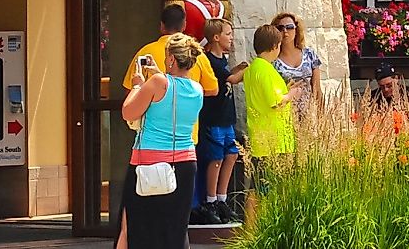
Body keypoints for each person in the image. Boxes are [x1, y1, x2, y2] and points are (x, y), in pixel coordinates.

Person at [121, 33, 206, 249]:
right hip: (185, 163)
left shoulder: (157, 82)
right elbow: (172, 96)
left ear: (171, 59)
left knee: (139, 227)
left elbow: (128, 113)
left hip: (148, 163)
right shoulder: (198, 89)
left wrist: (138, 86)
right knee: (175, 230)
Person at [243, 24, 295, 231]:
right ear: (275, 45)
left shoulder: (253, 68)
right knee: (267, 189)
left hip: (261, 137)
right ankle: (261, 229)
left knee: (257, 188)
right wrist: (292, 94)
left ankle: (251, 229)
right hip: (272, 140)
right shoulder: (264, 69)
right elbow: (276, 102)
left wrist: (286, 90)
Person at [196, 19, 244, 226]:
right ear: (216, 37)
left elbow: (228, 73)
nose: (232, 38)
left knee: (232, 154)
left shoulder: (222, 60)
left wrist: (237, 68)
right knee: (215, 158)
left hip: (226, 119)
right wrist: (252, 68)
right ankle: (210, 200)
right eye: (228, 33)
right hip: (213, 119)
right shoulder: (209, 60)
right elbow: (229, 80)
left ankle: (222, 198)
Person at [127, 1, 220, 98]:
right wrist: (189, 96)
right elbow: (212, 89)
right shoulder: (196, 53)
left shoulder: (146, 51)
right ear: (184, 25)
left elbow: (129, 90)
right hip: (188, 110)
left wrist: (140, 89)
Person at [268, 11, 322, 111]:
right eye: (280, 28)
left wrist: (321, 115)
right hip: (286, 113)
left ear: (296, 29)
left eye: (289, 27)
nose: (285, 31)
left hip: (309, 114)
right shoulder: (273, 61)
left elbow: (317, 89)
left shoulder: (309, 54)